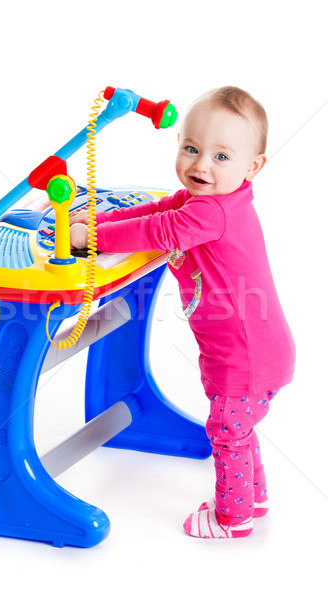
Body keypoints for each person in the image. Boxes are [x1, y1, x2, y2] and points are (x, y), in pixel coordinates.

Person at [69, 86, 296, 539]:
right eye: (191, 149)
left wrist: (86, 239)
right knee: (239, 427)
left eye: (220, 156)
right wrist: (95, 224)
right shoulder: (202, 201)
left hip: (245, 359)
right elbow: (156, 209)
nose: (200, 165)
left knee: (228, 432)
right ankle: (255, 495)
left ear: (253, 166)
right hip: (255, 353)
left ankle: (233, 519)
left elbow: (159, 229)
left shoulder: (213, 213)